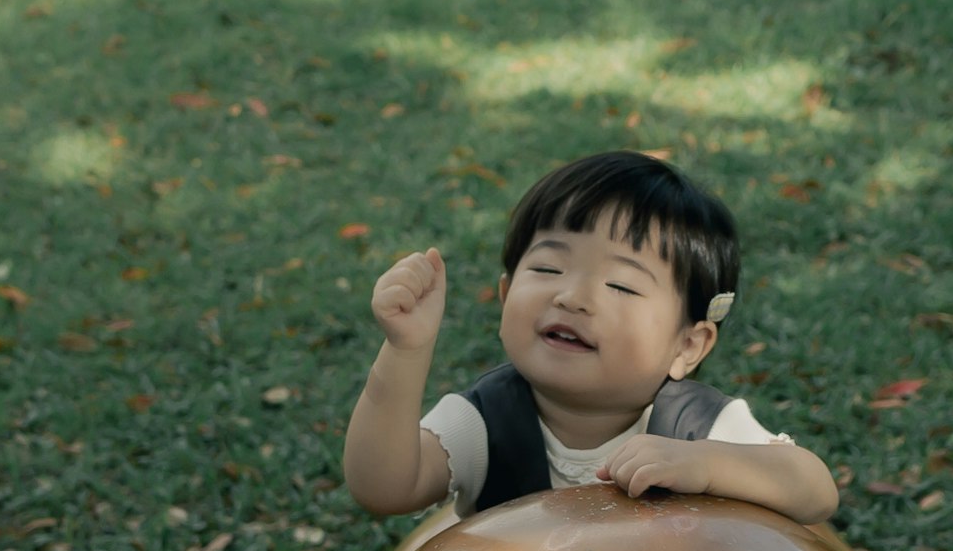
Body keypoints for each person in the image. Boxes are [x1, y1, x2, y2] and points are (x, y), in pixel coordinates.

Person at [340, 151, 839, 526]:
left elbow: (814, 490)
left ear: (688, 345)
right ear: (506, 294)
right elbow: (383, 488)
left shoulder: (697, 426)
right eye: (548, 267)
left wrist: (705, 463)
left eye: (621, 284)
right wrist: (405, 351)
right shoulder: (483, 421)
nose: (573, 297)